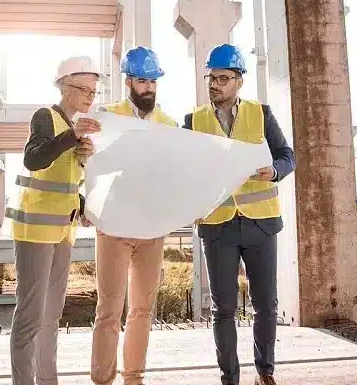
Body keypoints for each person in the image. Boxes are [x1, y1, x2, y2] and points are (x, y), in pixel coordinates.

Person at [182, 44, 296, 385]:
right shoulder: (193, 121)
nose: (215, 84)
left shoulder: (262, 114)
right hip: (218, 227)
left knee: (265, 305)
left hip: (260, 222)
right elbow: (182, 166)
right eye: (211, 78)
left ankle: (265, 372)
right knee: (224, 309)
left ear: (239, 81)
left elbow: (287, 155)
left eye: (223, 78)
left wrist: (273, 171)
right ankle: (229, 377)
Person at [6, 55, 102, 385]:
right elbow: (33, 159)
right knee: (31, 316)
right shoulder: (46, 117)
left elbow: (65, 183)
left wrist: (84, 206)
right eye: (83, 87)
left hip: (63, 231)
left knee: (51, 317)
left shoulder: (74, 131)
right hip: (35, 230)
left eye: (94, 90)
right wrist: (70, 137)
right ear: (63, 86)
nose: (90, 95)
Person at [90, 46, 179, 385]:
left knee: (142, 309)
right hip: (113, 227)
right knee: (109, 310)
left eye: (154, 81)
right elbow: (89, 166)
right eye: (143, 81)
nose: (150, 88)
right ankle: (102, 379)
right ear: (129, 82)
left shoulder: (167, 124)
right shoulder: (106, 117)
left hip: (151, 229)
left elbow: (175, 171)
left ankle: (134, 378)